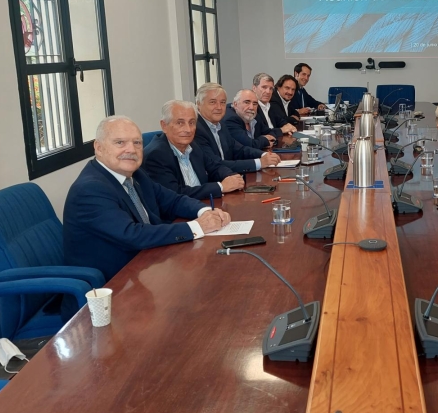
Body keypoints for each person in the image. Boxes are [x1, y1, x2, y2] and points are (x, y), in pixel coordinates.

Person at [64, 116, 231, 281]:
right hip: (113, 282)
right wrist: (197, 226)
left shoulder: (136, 174)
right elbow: (132, 235)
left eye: (137, 143)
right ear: (99, 147)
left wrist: (206, 211)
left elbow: (172, 200)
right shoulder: (90, 189)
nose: (131, 150)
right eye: (120, 142)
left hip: (148, 263)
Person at [143, 100, 244, 200]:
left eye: (191, 123)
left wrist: (232, 177)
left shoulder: (193, 145)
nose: (188, 130)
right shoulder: (155, 155)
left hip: (205, 204)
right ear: (164, 126)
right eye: (180, 123)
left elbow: (214, 167)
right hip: (182, 209)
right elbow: (175, 194)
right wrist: (220, 187)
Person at [193, 83, 281, 173]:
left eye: (222, 102)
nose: (219, 107)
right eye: (213, 102)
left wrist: (264, 154)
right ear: (199, 104)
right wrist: (259, 162)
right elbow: (215, 164)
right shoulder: (196, 129)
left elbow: (238, 149)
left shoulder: (220, 124)